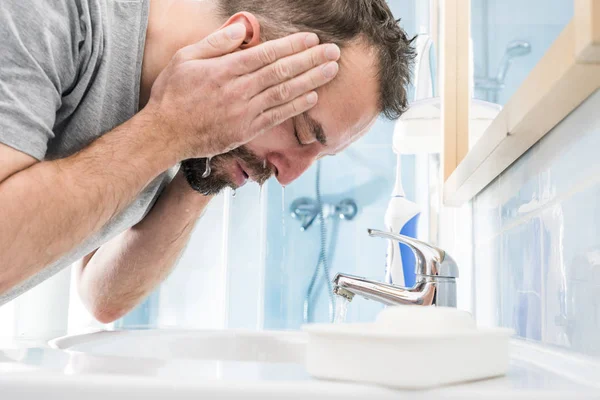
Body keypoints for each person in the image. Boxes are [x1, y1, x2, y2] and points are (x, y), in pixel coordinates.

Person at [0, 0, 414, 322]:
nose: (290, 175)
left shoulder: (171, 111)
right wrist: (168, 130)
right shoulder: (50, 14)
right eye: (302, 134)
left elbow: (103, 296)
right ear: (239, 43)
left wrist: (205, 171)